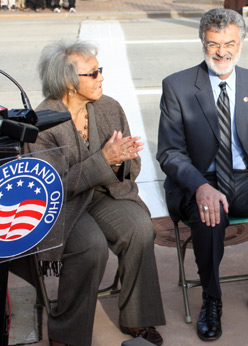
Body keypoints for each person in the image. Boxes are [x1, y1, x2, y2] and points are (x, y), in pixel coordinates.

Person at [157, 8, 248, 342]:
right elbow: (170, 153)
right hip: (195, 179)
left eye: (230, 43)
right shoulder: (177, 86)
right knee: (211, 213)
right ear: (202, 43)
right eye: (214, 43)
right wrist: (200, 187)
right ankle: (211, 299)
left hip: (244, 177)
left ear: (242, 44)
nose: (222, 51)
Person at [23, 40, 166, 346]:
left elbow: (132, 167)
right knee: (90, 245)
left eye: (99, 70)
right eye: (93, 73)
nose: (101, 77)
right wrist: (105, 159)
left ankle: (138, 319)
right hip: (63, 205)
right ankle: (67, 333)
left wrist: (123, 160)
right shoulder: (42, 123)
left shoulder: (109, 107)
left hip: (104, 194)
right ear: (67, 82)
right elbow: (52, 186)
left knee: (140, 228)